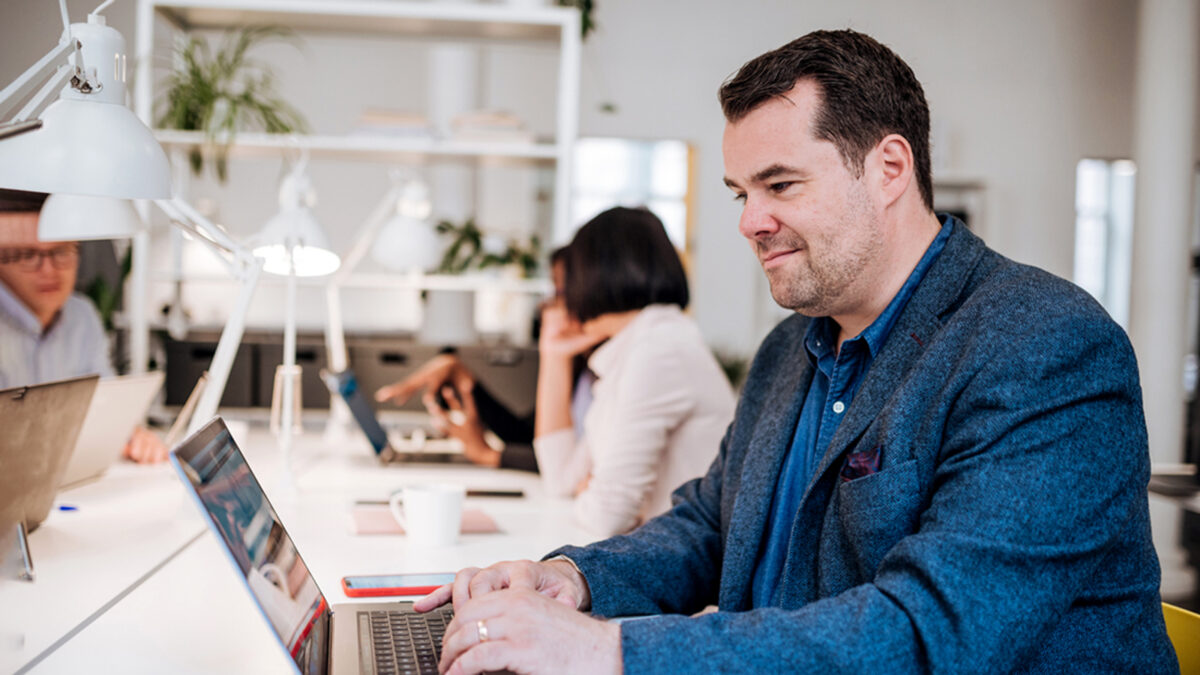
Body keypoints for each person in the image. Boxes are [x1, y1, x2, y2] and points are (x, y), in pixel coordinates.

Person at [413, 29, 1177, 674]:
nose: (750, 221)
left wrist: (609, 649)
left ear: (888, 169)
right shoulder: (792, 346)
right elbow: (710, 526)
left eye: (779, 184)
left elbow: (928, 633)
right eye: (741, 191)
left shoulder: (1043, 346)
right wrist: (572, 580)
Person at [531, 206, 735, 537]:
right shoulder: (636, 348)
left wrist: (592, 491)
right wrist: (553, 356)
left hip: (681, 569)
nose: (561, 300)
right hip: (658, 553)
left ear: (596, 273)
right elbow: (561, 479)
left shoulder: (659, 350)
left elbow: (606, 516)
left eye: (564, 285)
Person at [375, 248, 587, 474]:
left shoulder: (606, 376)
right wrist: (464, 378)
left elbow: (567, 467)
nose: (546, 305)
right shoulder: (581, 368)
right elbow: (527, 436)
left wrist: (490, 455)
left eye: (560, 292)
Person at [0, 188, 167, 464]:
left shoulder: (82, 316)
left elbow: (106, 405)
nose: (49, 270)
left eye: (62, 252)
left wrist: (131, 435)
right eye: (29, 256)